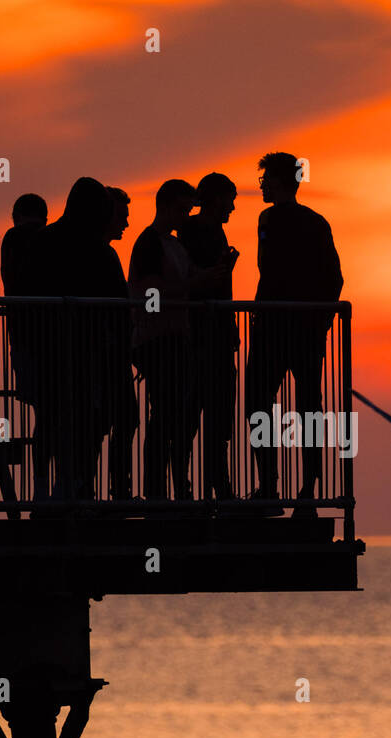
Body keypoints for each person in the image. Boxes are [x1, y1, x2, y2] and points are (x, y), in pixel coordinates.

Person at [244, 152, 343, 515]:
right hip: (279, 328)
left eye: (267, 179)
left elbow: (333, 279)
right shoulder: (276, 219)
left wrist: (317, 323)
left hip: (290, 329)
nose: (263, 185)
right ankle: (284, 488)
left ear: (284, 181)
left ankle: (295, 489)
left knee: (295, 410)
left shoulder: (308, 222)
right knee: (283, 408)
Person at [128, 179, 224, 500]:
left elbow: (190, 276)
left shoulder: (175, 244)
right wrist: (193, 287)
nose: (187, 217)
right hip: (156, 340)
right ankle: (156, 491)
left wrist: (212, 275)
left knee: (172, 416)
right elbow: (150, 292)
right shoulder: (149, 243)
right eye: (183, 210)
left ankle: (166, 490)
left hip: (176, 338)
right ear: (166, 206)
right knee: (164, 416)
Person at [27, 177, 116, 500]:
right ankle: (73, 484)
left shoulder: (42, 240)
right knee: (82, 418)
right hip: (86, 349)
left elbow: (28, 292)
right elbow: (118, 303)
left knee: (49, 418)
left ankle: (43, 486)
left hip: (47, 346)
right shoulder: (99, 251)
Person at [178, 173, 240, 500]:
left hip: (212, 333)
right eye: (229, 199)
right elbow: (201, 278)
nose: (231, 207)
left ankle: (213, 484)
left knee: (213, 415)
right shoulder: (197, 230)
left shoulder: (205, 229)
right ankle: (200, 486)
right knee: (196, 413)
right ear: (216, 199)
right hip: (201, 336)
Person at [0, 193, 50, 500]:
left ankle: (42, 488)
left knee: (43, 415)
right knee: (52, 416)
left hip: (23, 338)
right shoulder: (48, 239)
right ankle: (57, 487)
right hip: (53, 339)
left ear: (16, 215)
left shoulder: (12, 239)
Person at [100, 186, 138, 500]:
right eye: (121, 216)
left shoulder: (106, 253)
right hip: (109, 353)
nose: (125, 224)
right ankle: (118, 490)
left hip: (115, 351)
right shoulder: (103, 254)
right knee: (122, 418)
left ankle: (117, 488)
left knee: (120, 419)